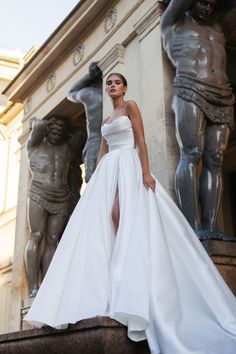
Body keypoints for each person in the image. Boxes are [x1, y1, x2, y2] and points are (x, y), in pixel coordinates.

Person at [25, 74, 236, 354]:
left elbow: (141, 142)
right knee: (106, 218)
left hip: (128, 165)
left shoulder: (131, 107)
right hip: (110, 169)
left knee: (122, 213)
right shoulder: (105, 120)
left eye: (116, 83)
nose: (111, 86)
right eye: (109, 83)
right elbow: (102, 152)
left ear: (125, 87)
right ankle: (111, 280)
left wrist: (146, 172)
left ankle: (129, 271)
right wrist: (95, 183)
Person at [160, 0, 236, 240]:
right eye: (202, 1)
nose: (208, 7)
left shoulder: (219, 28)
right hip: (190, 89)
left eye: (212, 3)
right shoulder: (173, 24)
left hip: (223, 94)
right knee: (192, 153)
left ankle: (212, 228)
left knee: (215, 160)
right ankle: (193, 227)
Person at [26, 116, 85, 297]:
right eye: (53, 129)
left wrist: (65, 129)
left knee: (53, 239)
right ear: (47, 130)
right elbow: (37, 124)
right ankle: (32, 285)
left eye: (61, 130)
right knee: (36, 235)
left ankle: (48, 283)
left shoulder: (67, 148)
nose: (56, 133)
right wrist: (39, 124)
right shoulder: (34, 145)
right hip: (38, 192)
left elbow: (81, 133)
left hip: (62, 196)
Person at [68, 62, 103, 182]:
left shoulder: (90, 94)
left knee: (94, 186)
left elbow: (71, 93)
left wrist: (89, 76)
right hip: (113, 142)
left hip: (95, 143)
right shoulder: (115, 95)